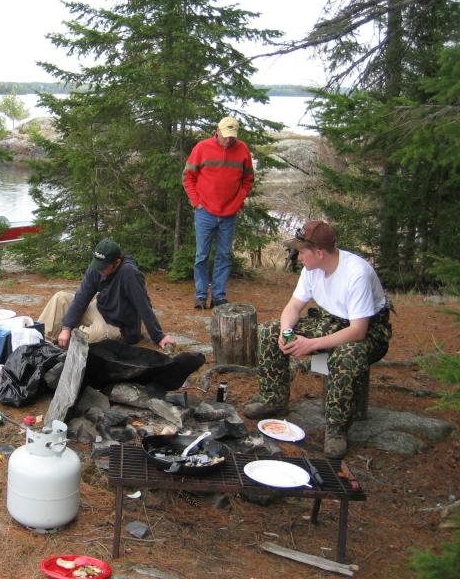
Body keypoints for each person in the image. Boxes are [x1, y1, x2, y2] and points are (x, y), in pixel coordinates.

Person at [243, 220, 392, 458]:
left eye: (302, 251)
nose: (298, 257)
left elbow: (358, 331)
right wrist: (285, 331)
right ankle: (274, 399)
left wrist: (310, 344)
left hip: (369, 331)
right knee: (269, 331)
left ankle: (336, 429)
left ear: (319, 253)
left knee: (346, 356)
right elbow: (293, 306)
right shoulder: (312, 269)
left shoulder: (357, 274)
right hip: (330, 320)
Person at [38, 239, 176, 350]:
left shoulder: (129, 273)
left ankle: (62, 344)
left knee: (91, 337)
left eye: (103, 267)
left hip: (117, 327)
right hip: (99, 311)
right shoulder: (96, 268)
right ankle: (38, 340)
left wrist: (159, 336)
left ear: (117, 262)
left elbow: (144, 306)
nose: (99, 270)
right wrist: (66, 327)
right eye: (97, 265)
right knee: (61, 298)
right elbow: (81, 298)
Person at [182, 116, 254, 309]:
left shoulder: (242, 150)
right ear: (217, 130)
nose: (228, 140)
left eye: (232, 136)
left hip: (229, 213)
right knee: (202, 255)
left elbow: (248, 180)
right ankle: (200, 295)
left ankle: (219, 296)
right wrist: (196, 202)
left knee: (224, 255)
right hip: (204, 211)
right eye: (225, 135)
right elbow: (188, 177)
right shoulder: (202, 148)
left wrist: (239, 200)